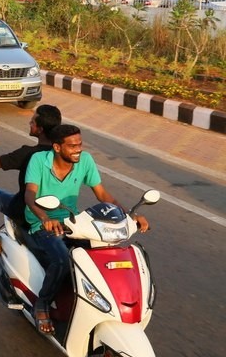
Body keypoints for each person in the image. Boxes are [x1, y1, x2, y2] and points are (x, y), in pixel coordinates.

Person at [23, 124, 150, 335]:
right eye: (72, 146)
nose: (78, 149)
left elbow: (102, 194)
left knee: (103, 253)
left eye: (79, 144)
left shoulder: (85, 160)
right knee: (62, 259)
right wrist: (44, 218)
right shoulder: (38, 161)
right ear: (56, 147)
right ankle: (42, 304)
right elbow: (30, 194)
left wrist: (130, 215)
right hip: (42, 223)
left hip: (74, 222)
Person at [0, 105, 62, 256]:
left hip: (25, 210)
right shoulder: (64, 155)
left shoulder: (29, 153)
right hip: (57, 209)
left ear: (40, 129)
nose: (29, 123)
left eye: (33, 121)